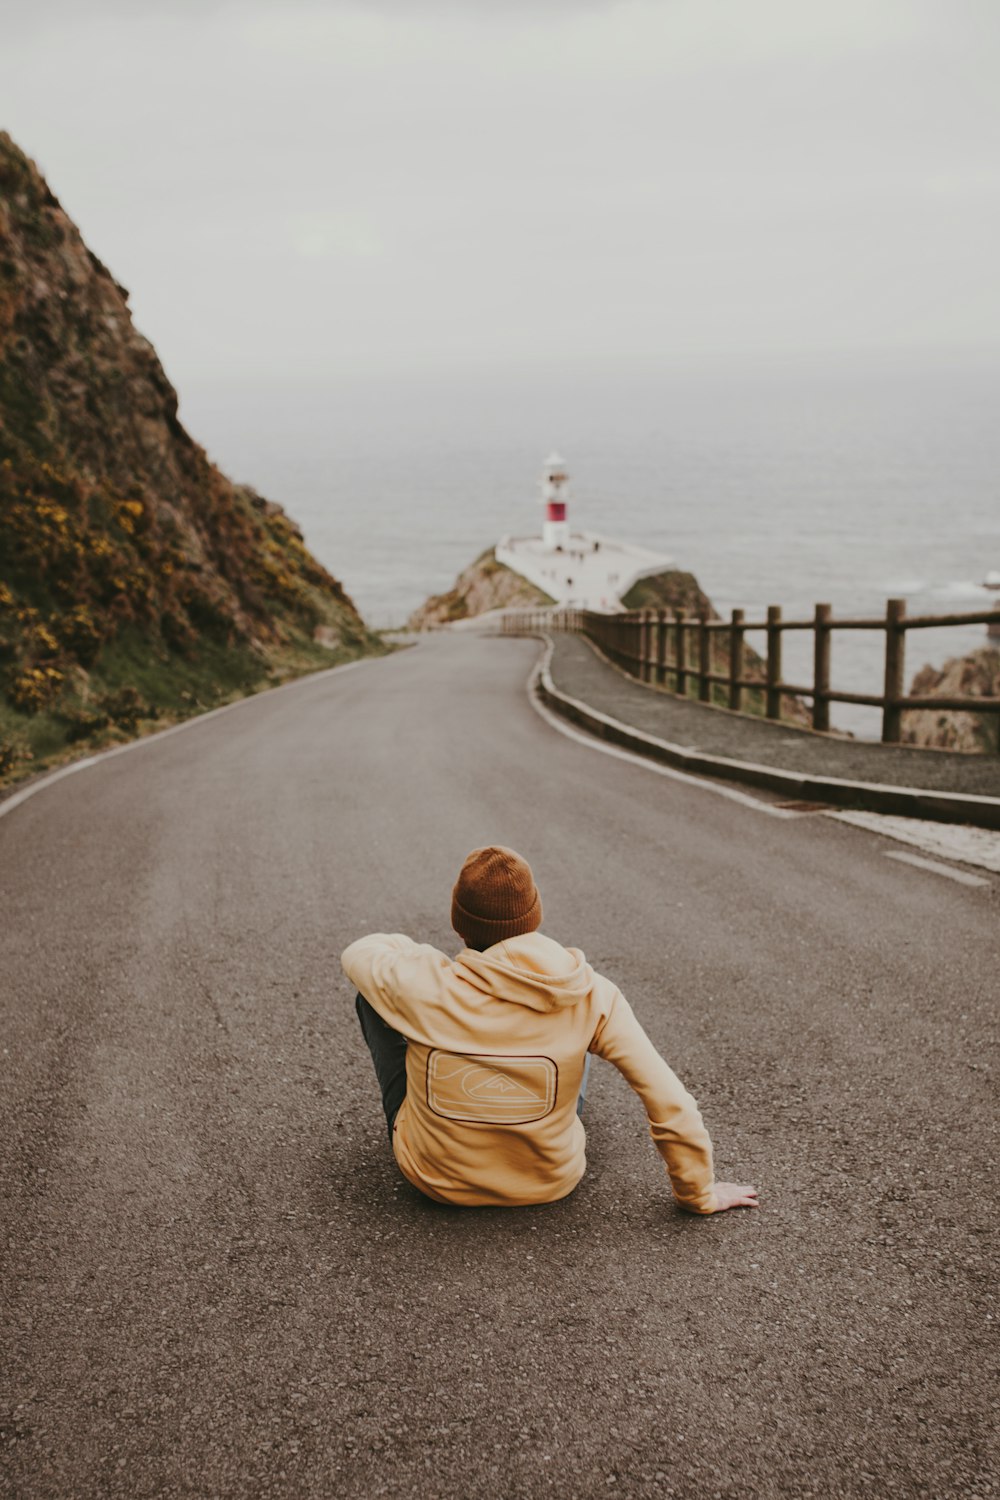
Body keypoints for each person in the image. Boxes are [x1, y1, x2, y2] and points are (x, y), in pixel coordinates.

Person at [342, 846, 758, 1213]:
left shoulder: (421, 983)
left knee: (372, 997)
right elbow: (670, 1100)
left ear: (459, 923)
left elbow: (360, 952)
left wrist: (418, 956)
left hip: (436, 1181)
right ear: (534, 917)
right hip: (550, 1182)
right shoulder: (589, 991)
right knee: (580, 1030)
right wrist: (698, 1193)